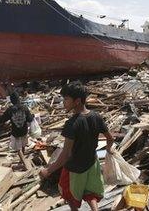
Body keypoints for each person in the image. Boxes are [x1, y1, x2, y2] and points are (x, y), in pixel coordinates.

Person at [39, 81, 114, 211]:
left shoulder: (72, 124)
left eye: (66, 99)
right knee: (90, 192)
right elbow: (110, 138)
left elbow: (66, 154)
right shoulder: (96, 116)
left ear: (77, 101)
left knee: (69, 195)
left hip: (74, 168)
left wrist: (48, 171)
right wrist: (108, 149)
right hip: (92, 163)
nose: (63, 102)